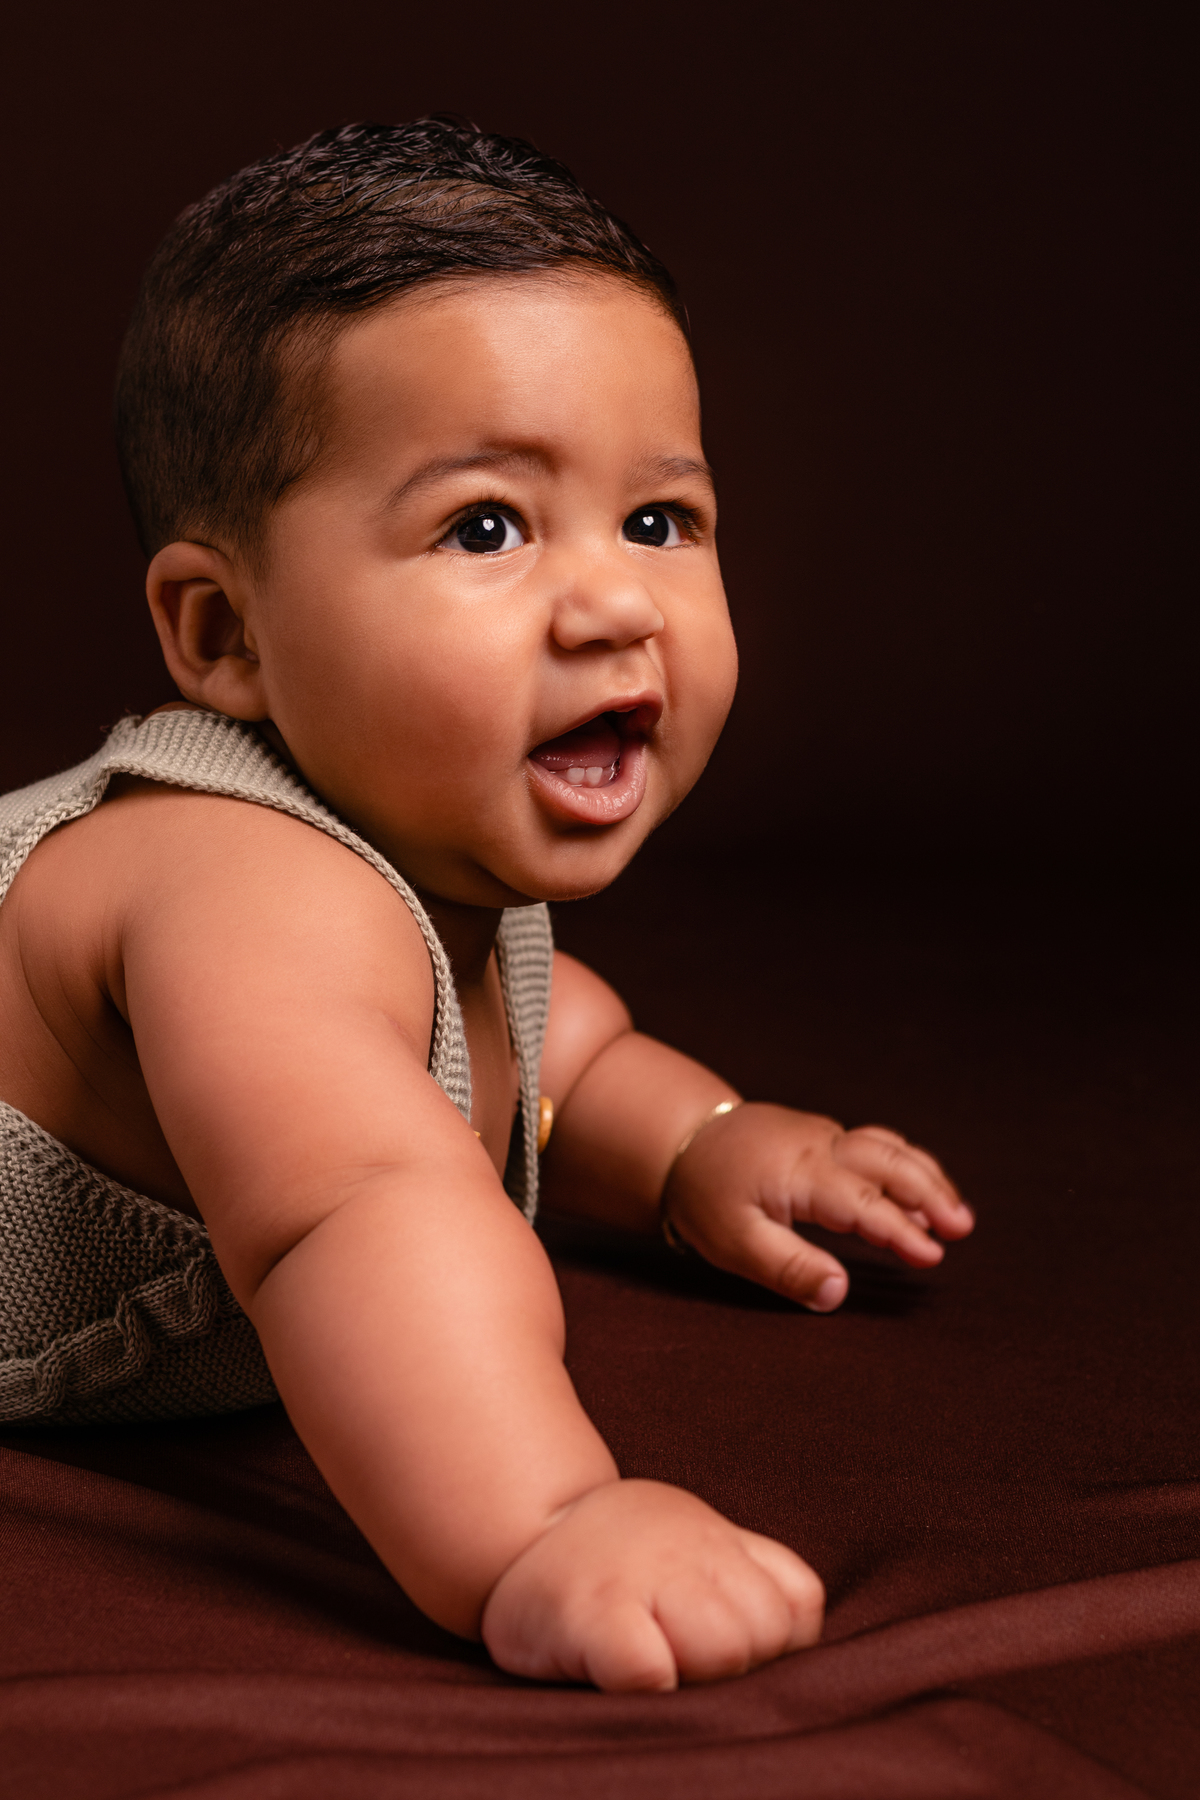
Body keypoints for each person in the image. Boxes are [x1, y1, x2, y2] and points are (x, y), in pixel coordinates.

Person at [0, 118, 973, 1692]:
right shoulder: (243, 886)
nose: (611, 603)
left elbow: (552, 1051)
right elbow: (358, 1206)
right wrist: (545, 1524)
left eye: (660, 522)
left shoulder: (443, 888)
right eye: (488, 527)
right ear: (223, 632)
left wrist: (697, 1147)